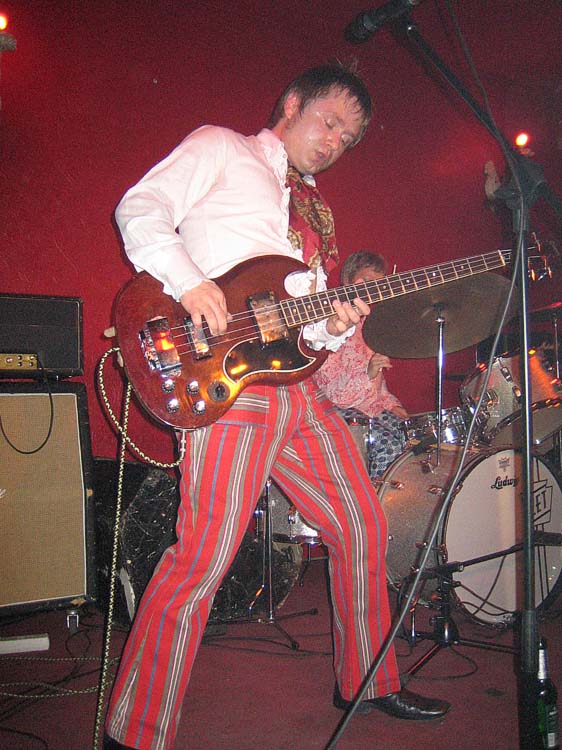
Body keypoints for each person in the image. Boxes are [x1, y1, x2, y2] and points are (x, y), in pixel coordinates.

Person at [104, 63, 449, 750]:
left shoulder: (308, 218)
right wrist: (190, 282)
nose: (335, 143)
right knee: (202, 559)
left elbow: (305, 332)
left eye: (347, 139)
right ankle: (134, 733)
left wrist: (334, 325)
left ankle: (368, 681)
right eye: (330, 122)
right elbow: (138, 208)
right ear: (291, 105)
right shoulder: (222, 148)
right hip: (231, 388)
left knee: (362, 524)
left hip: (300, 393)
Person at [312, 251, 408, 477]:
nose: (372, 289)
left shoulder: (371, 326)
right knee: (389, 446)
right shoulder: (329, 325)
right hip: (331, 412)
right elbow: (335, 395)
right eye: (365, 281)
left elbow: (377, 390)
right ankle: (370, 498)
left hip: (369, 411)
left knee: (411, 438)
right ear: (347, 281)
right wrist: (368, 372)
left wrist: (392, 405)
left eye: (378, 284)